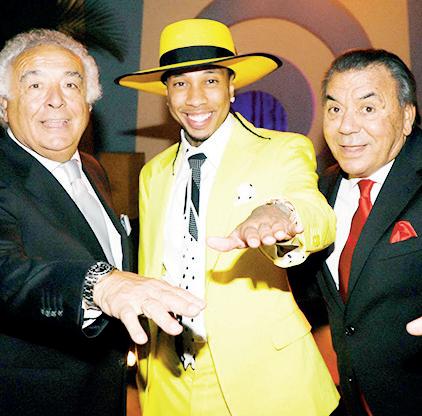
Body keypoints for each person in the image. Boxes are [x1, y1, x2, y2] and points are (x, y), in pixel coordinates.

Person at [116, 18, 340, 416]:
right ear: (166, 95)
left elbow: (316, 212)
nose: (195, 99)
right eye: (180, 83)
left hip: (263, 379)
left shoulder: (281, 150)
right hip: (168, 380)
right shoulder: (153, 173)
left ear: (232, 87)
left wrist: (283, 214)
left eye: (210, 81)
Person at [0, 29, 205, 416]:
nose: (56, 99)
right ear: (3, 105)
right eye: (35, 85)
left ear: (88, 103)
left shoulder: (92, 169)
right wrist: (97, 284)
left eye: (71, 85)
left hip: (103, 393)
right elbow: (6, 271)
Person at [215, 49, 422, 416]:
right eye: (335, 108)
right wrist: (278, 240)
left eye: (367, 108)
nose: (346, 126)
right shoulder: (321, 190)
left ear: (407, 117)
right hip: (351, 398)